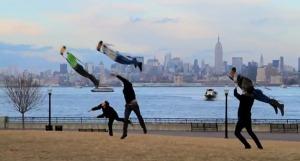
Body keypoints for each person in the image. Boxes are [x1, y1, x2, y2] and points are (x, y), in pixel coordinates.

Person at [111, 73, 147, 139]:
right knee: (125, 119)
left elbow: (122, 79)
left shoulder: (128, 84)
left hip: (134, 104)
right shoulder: (125, 87)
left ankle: (144, 128)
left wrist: (116, 75)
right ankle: (124, 134)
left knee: (139, 116)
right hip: (128, 106)